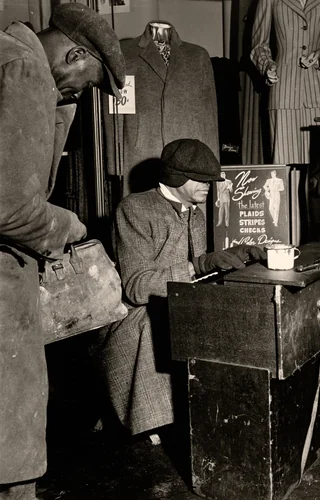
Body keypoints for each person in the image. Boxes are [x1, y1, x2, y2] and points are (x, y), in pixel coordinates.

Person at [0, 4, 125, 498]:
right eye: (88, 81)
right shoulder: (27, 71)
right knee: (13, 405)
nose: (80, 92)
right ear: (74, 53)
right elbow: (9, 208)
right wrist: (68, 227)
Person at [96, 139, 266, 439]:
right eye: (201, 179)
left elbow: (198, 275)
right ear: (176, 178)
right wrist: (197, 266)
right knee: (162, 322)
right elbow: (136, 287)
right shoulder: (134, 208)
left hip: (177, 305)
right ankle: (154, 420)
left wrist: (237, 255)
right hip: (135, 320)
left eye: (211, 180)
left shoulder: (196, 216)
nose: (209, 186)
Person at [250, 0, 320, 166]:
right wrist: (267, 65)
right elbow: (259, 45)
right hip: (283, 91)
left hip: (319, 92)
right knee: (284, 166)